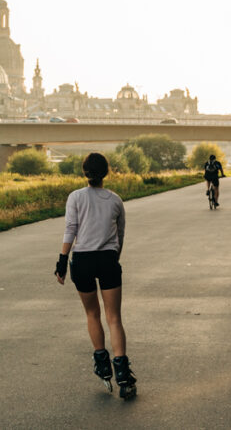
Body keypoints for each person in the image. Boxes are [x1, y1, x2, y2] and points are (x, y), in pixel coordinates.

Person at [53, 152, 137, 399]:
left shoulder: (76, 197)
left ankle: (102, 365)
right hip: (108, 259)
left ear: (84, 172)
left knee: (92, 313)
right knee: (114, 318)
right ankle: (122, 374)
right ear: (106, 173)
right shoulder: (115, 200)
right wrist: (114, 258)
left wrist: (61, 260)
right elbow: (120, 235)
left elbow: (71, 229)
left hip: (83, 261)